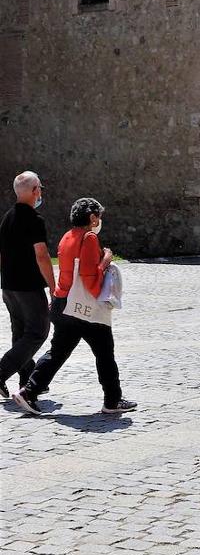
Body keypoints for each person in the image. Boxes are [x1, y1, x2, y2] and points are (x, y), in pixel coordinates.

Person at [12, 198, 138, 416]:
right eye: (98, 216)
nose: (99, 221)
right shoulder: (89, 238)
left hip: (63, 302)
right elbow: (90, 279)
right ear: (92, 218)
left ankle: (29, 391)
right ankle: (112, 401)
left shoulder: (66, 237)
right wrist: (106, 259)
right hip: (83, 307)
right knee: (104, 352)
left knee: (58, 352)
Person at [1, 172, 56, 402]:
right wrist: (53, 286)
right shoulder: (34, 219)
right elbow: (42, 255)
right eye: (40, 188)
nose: (41, 193)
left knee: (20, 333)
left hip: (9, 286)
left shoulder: (7, 217)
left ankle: (27, 381)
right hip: (28, 287)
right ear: (35, 191)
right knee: (37, 332)